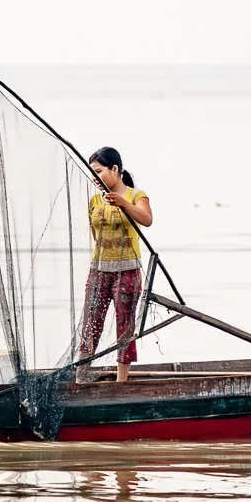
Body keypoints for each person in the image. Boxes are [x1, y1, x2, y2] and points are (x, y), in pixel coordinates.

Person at [78, 146, 153, 382]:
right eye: (93, 173)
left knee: (125, 328)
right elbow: (95, 234)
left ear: (115, 169)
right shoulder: (93, 201)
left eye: (99, 171)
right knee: (90, 325)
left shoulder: (135, 195)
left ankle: (121, 383)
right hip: (99, 271)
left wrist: (123, 203)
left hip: (128, 272)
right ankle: (81, 377)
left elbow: (147, 220)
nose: (95, 177)